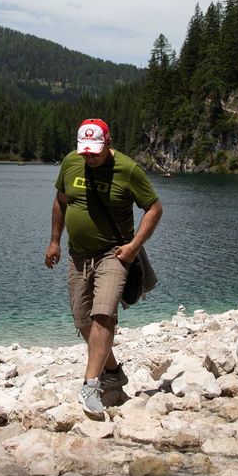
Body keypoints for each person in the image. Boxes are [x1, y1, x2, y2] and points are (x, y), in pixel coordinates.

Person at [45, 118, 162, 418]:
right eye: (85, 151)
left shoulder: (128, 169)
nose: (89, 157)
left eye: (94, 152)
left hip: (114, 254)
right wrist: (54, 241)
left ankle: (90, 384)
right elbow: (61, 200)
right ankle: (112, 371)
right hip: (78, 255)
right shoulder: (71, 162)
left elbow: (154, 208)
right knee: (82, 320)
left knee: (103, 314)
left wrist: (134, 246)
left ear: (108, 142)